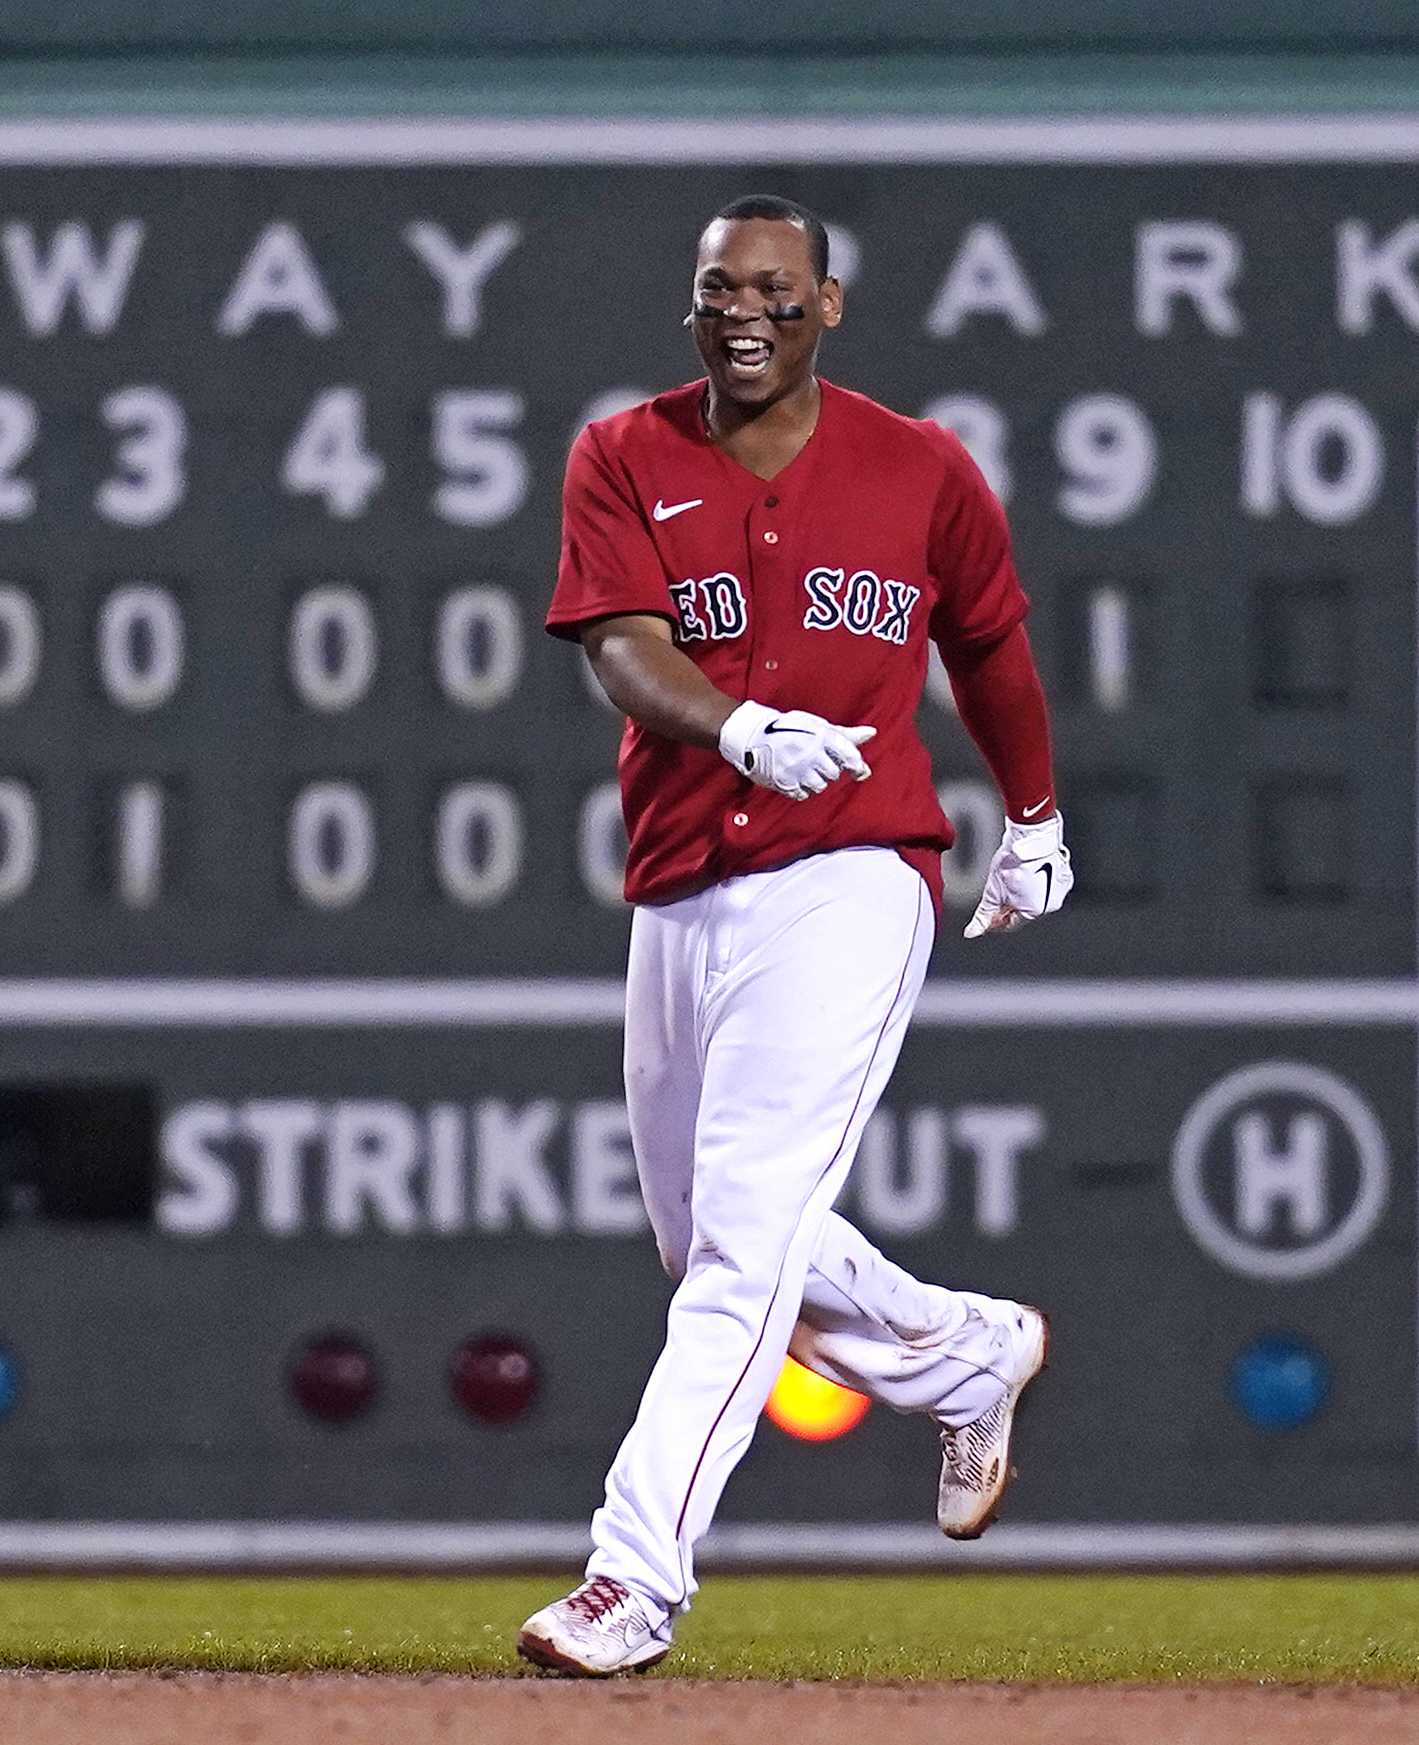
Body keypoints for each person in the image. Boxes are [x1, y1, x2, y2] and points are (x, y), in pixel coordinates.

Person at [517, 194, 1072, 1677]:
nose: (744, 311)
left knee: (746, 1231)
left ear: (829, 305)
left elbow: (991, 643)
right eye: (718, 288)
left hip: (855, 872)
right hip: (684, 874)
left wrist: (1033, 817)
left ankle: (635, 1576)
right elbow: (627, 653)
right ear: (690, 306)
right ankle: (965, 1350)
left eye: (774, 288)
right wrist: (740, 725)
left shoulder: (920, 465)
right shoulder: (623, 453)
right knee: (715, 1240)